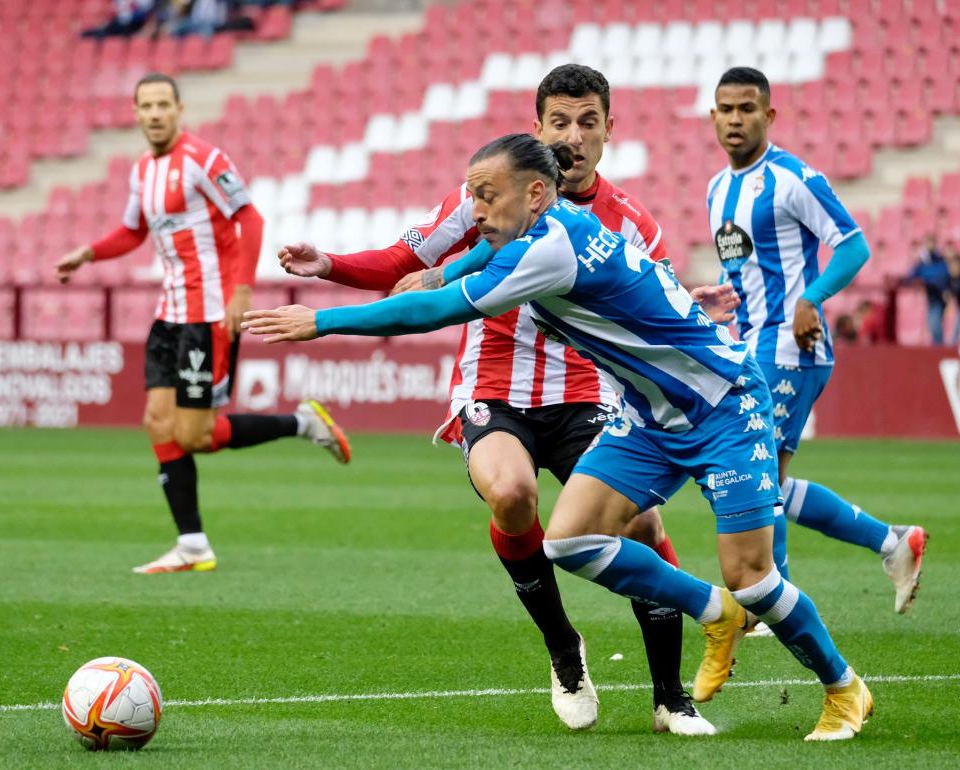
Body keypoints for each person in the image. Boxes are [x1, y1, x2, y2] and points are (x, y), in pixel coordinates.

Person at [244, 134, 873, 742]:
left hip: (722, 407)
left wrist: (320, 321)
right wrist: (436, 271)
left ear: (538, 193)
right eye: (473, 195)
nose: (477, 209)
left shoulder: (548, 250)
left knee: (754, 577)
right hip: (649, 418)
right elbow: (473, 261)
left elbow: (433, 314)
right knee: (570, 541)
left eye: (487, 195)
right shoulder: (543, 230)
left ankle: (843, 688)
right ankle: (715, 612)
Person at [277, 64, 735, 735]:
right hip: (495, 385)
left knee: (639, 525)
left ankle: (669, 696)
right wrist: (332, 267)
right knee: (513, 495)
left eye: (587, 122)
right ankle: (563, 647)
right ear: (537, 129)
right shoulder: (487, 199)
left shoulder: (632, 220)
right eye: (559, 122)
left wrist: (690, 313)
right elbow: (406, 261)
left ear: (610, 129)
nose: (573, 136)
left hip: (588, 387)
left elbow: (653, 303)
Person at [55, 73, 350, 574]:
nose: (154, 113)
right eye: (145, 105)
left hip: (209, 314)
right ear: (135, 112)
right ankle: (191, 544)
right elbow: (132, 231)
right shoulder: (142, 171)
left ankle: (301, 423)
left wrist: (241, 290)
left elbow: (249, 218)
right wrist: (88, 253)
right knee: (156, 421)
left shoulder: (203, 159)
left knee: (193, 434)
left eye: (162, 104)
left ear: (178, 109)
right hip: (168, 314)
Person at [706, 67, 927, 615]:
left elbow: (852, 247)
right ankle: (893, 542)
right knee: (763, 479)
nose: (736, 119)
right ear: (713, 117)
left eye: (747, 109)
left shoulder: (792, 178)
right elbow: (746, 271)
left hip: (790, 345)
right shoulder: (716, 188)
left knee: (755, 475)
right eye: (726, 109)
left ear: (768, 115)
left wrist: (812, 298)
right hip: (752, 342)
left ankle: (768, 597)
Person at [908, 235, 949, 345]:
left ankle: (939, 349)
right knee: (932, 324)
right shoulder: (923, 261)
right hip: (931, 298)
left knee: (935, 324)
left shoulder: (940, 260)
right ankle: (937, 347)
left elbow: (941, 277)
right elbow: (911, 275)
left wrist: (927, 278)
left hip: (939, 297)